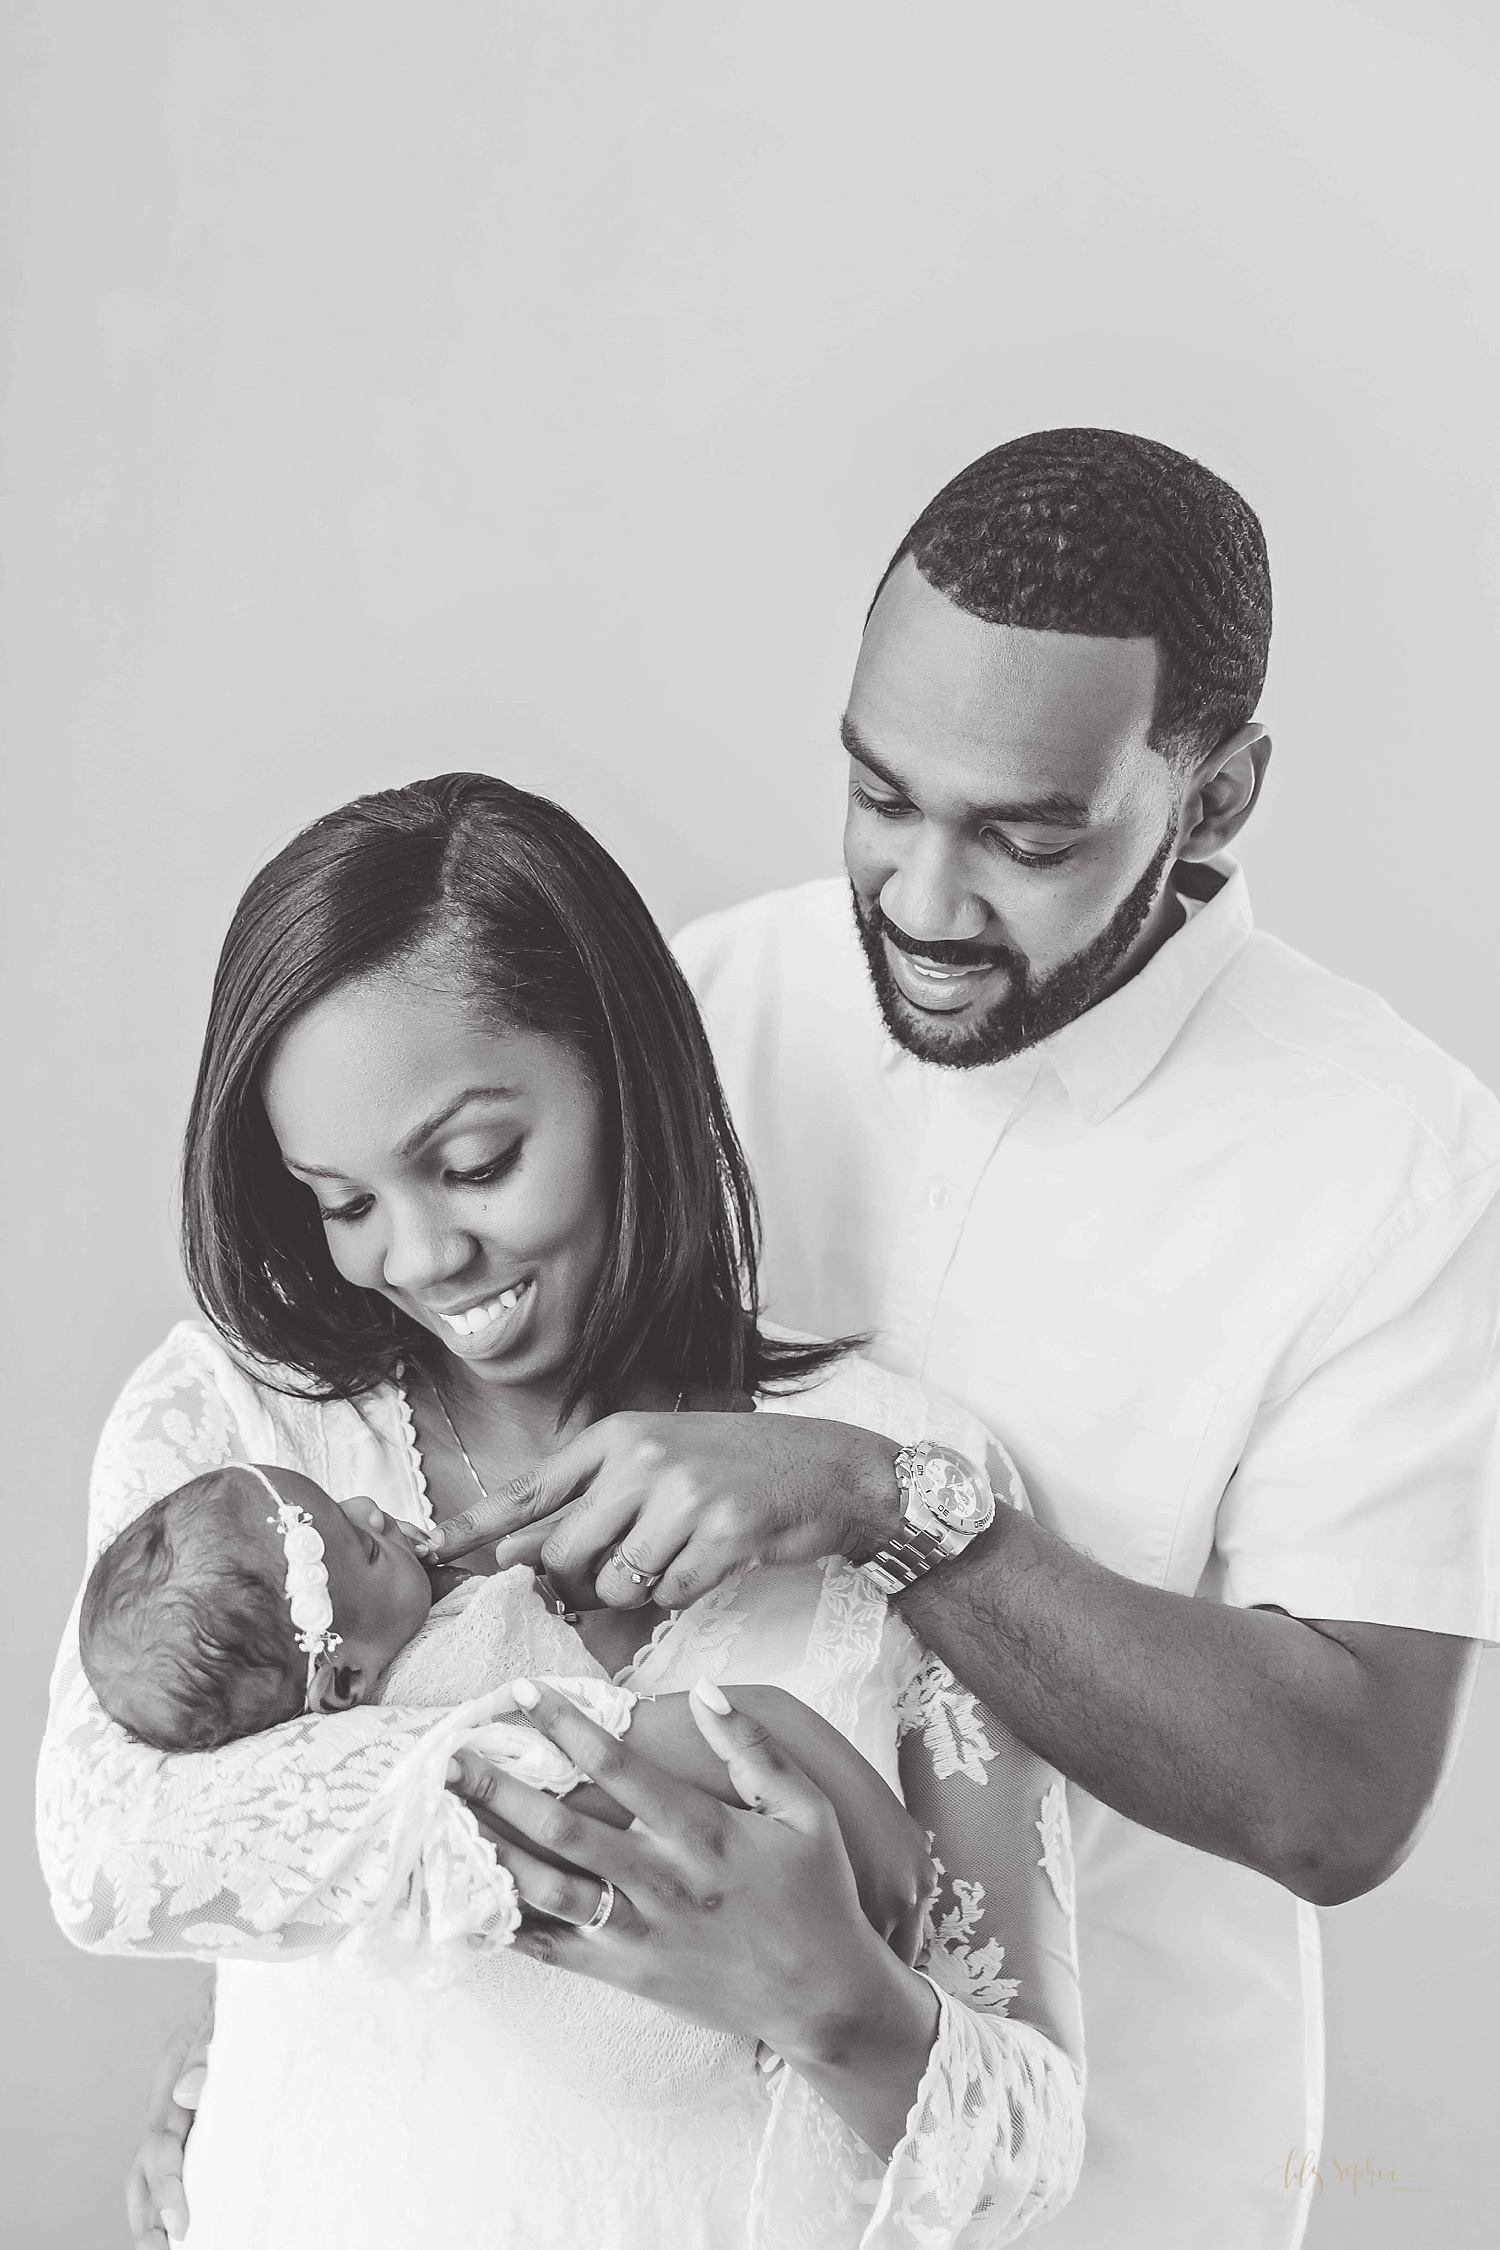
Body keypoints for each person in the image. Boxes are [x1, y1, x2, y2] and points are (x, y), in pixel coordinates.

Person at [423, 429, 1500, 2249]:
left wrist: (884, 1503)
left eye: (1025, 835)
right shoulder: (715, 1001)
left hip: (1114, 2190)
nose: (922, 901)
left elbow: (1342, 1794)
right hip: (650, 2167)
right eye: (879, 796)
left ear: (1217, 796)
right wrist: (302, 2037)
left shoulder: (1395, 1161)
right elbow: (464, 1507)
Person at [36, 773, 1085, 2250]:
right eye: (342, 1201)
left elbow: (1027, 2146)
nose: (416, 1253)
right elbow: (108, 1853)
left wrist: (842, 2003)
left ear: (622, 1072)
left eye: (473, 1163)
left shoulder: (898, 1466)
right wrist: (577, 1764)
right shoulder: (244, 1428)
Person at [78, 1457, 938, 1967]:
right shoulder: (455, 1688)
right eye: (366, 1544)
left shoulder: (354, 1732)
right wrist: (886, 1838)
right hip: (676, 1983)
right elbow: (699, 1738)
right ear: (343, 1686)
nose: (372, 1508)